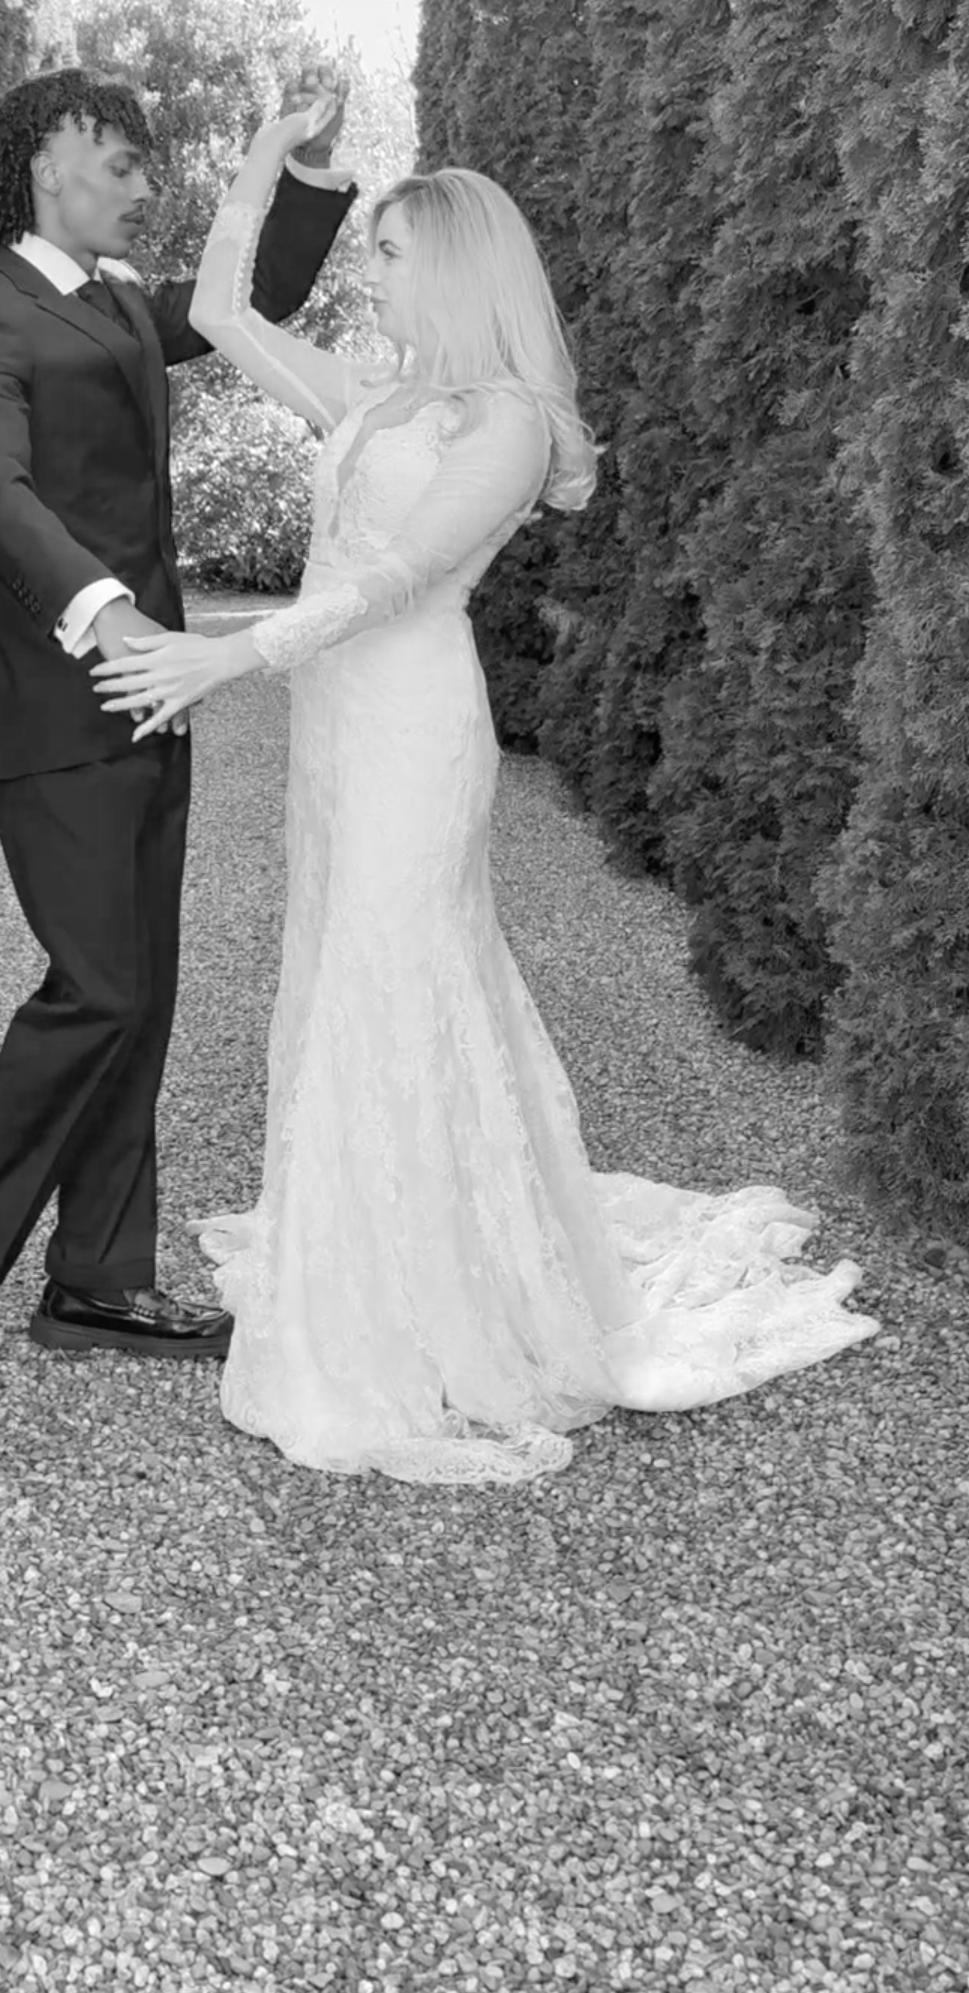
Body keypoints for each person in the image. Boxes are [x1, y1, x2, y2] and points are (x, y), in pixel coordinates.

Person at [93, 97, 877, 1484]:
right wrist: (261, 167)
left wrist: (226, 656)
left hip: (412, 724)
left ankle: (426, 1297)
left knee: (394, 970)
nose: (373, 276)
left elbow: (397, 582)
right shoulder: (377, 396)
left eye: (391, 255)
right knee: (340, 962)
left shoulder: (507, 422)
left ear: (456, 268)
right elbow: (217, 313)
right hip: (337, 729)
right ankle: (374, 1248)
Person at [0, 67, 355, 1402]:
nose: (146, 185)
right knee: (98, 985)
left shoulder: (127, 307)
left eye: (148, 167)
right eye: (123, 162)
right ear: (47, 162)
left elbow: (252, 299)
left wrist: (303, 170)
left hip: (159, 696)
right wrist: (101, 610)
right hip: (63, 695)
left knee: (142, 989)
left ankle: (97, 1274)